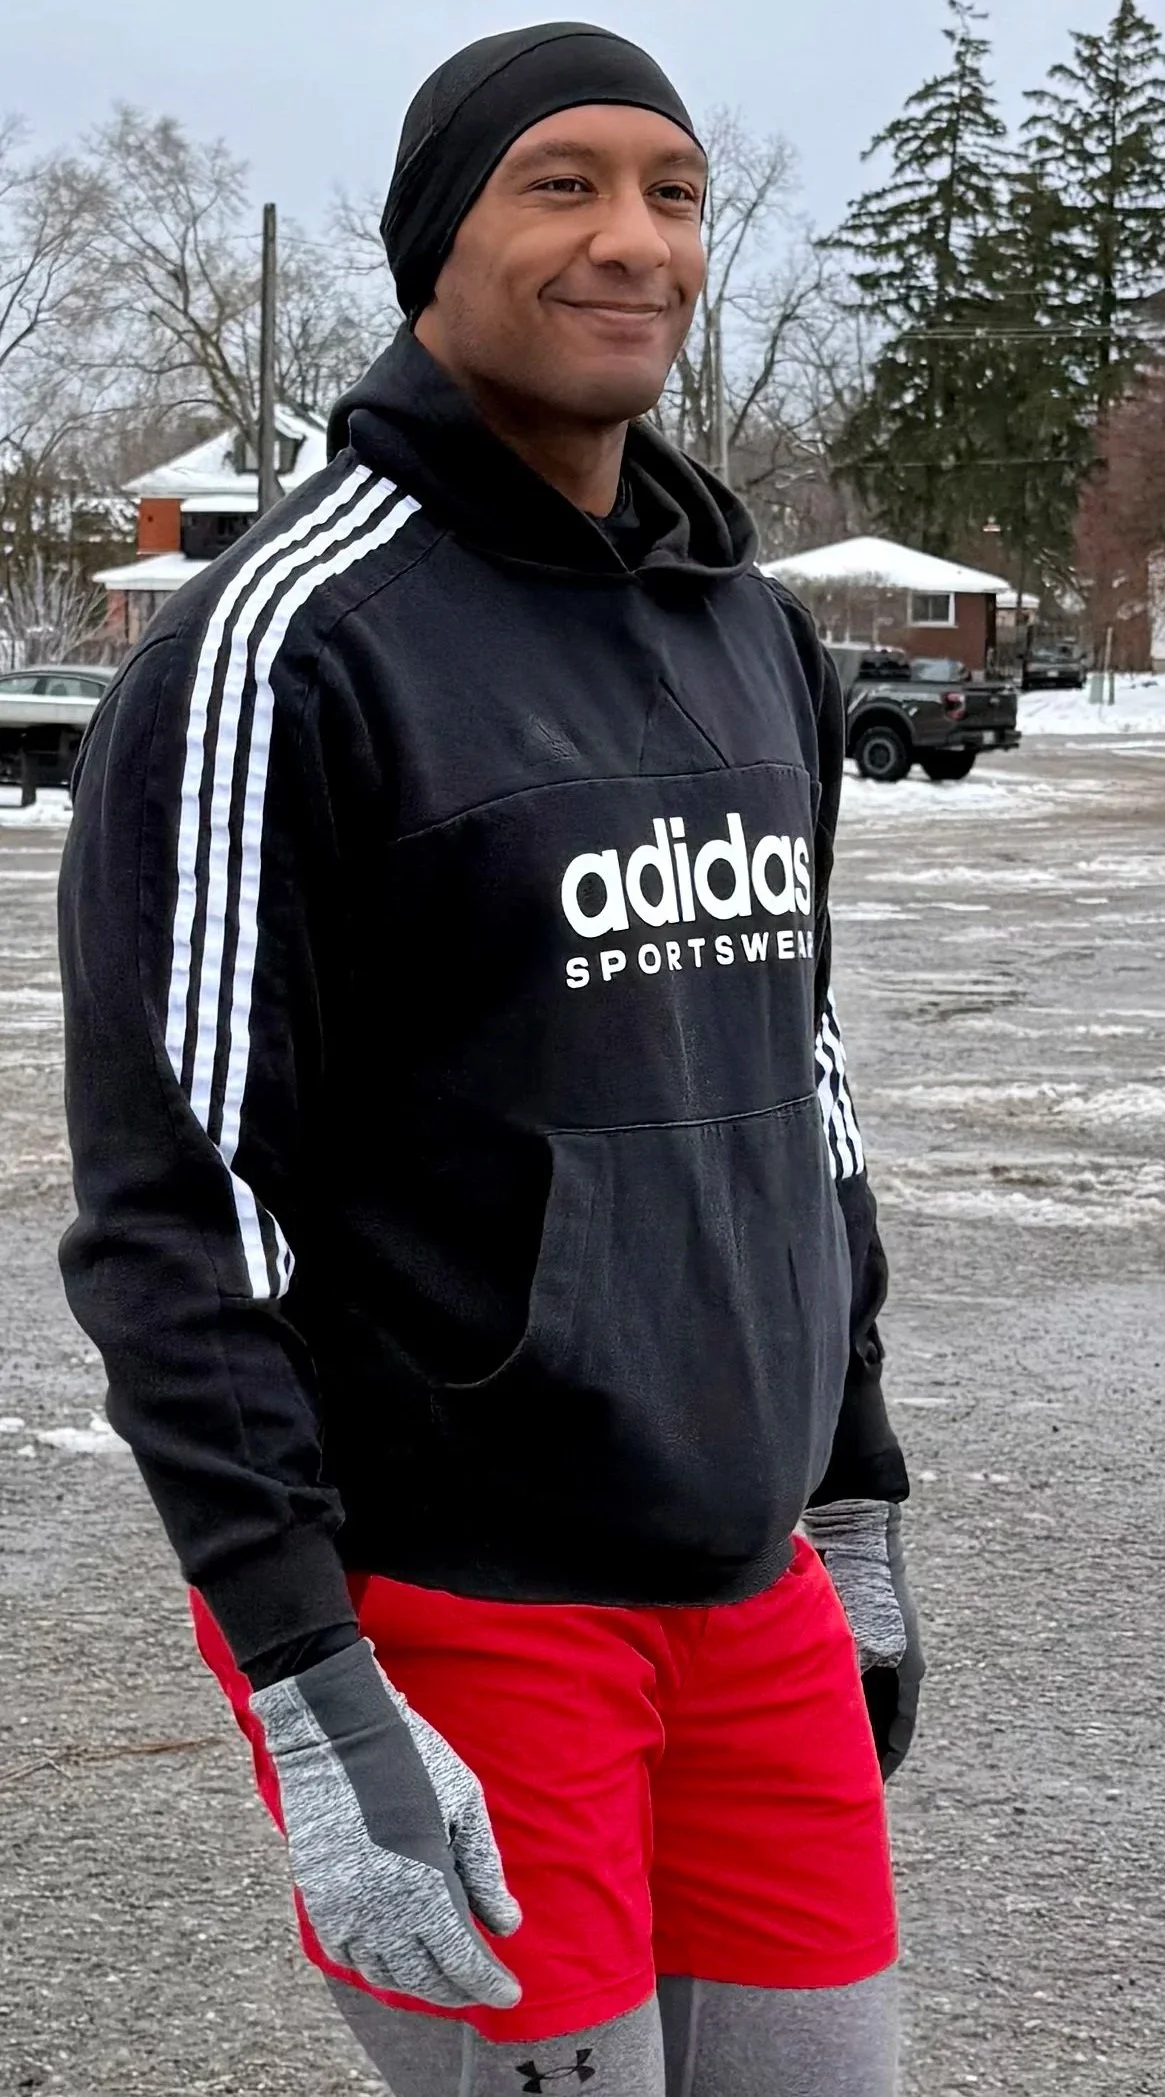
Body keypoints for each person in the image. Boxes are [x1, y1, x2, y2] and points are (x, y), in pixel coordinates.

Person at [58, 23, 923, 2096]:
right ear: (434, 237)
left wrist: (854, 1489)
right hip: (456, 1608)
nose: (631, 238)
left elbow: (792, 1089)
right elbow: (181, 1210)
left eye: (674, 191)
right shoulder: (284, 644)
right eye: (562, 184)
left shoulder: (749, 634)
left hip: (748, 1592)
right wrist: (298, 1672)